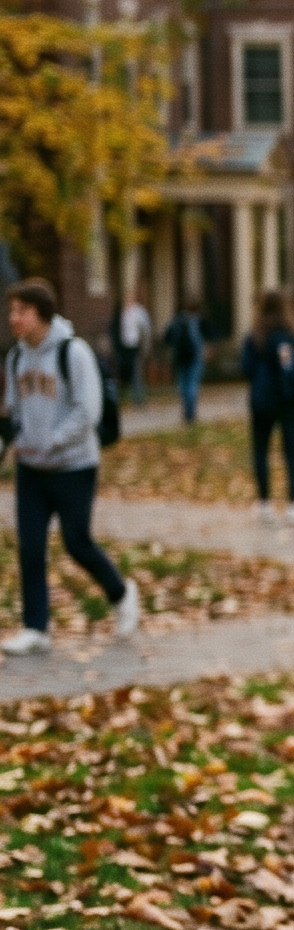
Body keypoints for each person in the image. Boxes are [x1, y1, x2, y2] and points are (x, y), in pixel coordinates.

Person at [1, 280, 141, 655]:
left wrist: (52, 440)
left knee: (76, 542)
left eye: (21, 311)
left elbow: (88, 410)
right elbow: (12, 411)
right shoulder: (16, 358)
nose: (13, 318)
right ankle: (36, 628)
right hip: (31, 469)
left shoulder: (72, 352)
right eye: (11, 311)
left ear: (41, 314)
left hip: (74, 466)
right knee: (30, 547)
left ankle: (122, 593)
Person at [240, 289, 294, 524]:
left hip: (262, 401)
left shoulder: (255, 337)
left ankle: (264, 504)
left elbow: (246, 369)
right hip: (290, 401)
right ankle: (293, 505)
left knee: (260, 451)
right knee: (292, 452)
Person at [164, 302, 207, 424]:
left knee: (183, 385)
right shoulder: (198, 321)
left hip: (180, 358)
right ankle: (190, 413)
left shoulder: (177, 321)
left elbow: (166, 337)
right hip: (194, 357)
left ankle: (186, 412)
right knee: (192, 384)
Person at [115, 295, 151, 405]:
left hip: (136, 348)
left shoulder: (139, 312)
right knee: (128, 372)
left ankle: (138, 398)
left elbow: (146, 331)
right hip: (125, 348)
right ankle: (130, 397)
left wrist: (145, 347)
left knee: (137, 373)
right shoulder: (123, 313)